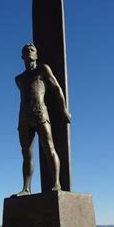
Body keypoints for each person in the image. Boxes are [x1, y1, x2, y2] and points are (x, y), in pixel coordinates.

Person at [15, 43, 71, 196]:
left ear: (36, 55)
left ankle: (56, 184)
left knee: (49, 147)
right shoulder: (18, 79)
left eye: (32, 50)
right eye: (26, 51)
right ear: (22, 57)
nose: (29, 52)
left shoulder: (42, 69)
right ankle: (26, 188)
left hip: (40, 113)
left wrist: (64, 109)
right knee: (26, 152)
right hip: (24, 116)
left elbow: (56, 88)